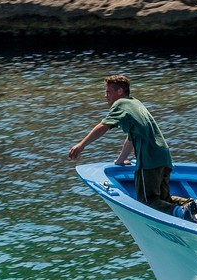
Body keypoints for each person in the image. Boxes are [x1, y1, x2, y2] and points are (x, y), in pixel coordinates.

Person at [68, 74, 175, 211]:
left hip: (149, 159)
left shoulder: (120, 103)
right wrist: (121, 159)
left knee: (147, 202)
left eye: (108, 92)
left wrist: (81, 145)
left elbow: (103, 126)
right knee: (164, 200)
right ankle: (190, 205)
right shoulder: (135, 103)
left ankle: (182, 212)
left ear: (119, 92)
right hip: (163, 156)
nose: (105, 96)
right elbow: (132, 137)